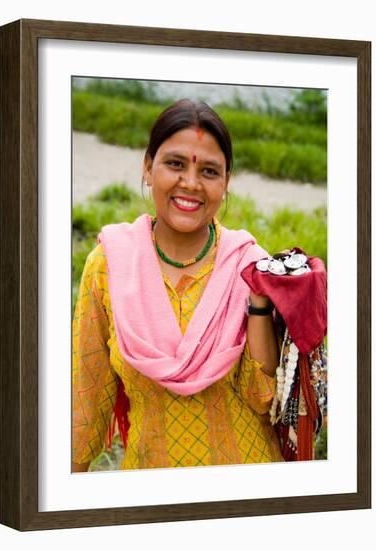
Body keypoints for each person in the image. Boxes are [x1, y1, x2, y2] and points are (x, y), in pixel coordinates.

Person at [72, 98, 285, 472]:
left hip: (248, 485)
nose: (190, 183)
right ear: (148, 167)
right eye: (175, 164)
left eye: (209, 171)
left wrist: (259, 301)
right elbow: (86, 398)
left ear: (226, 182)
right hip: (150, 489)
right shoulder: (108, 266)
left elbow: (262, 396)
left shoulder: (250, 265)